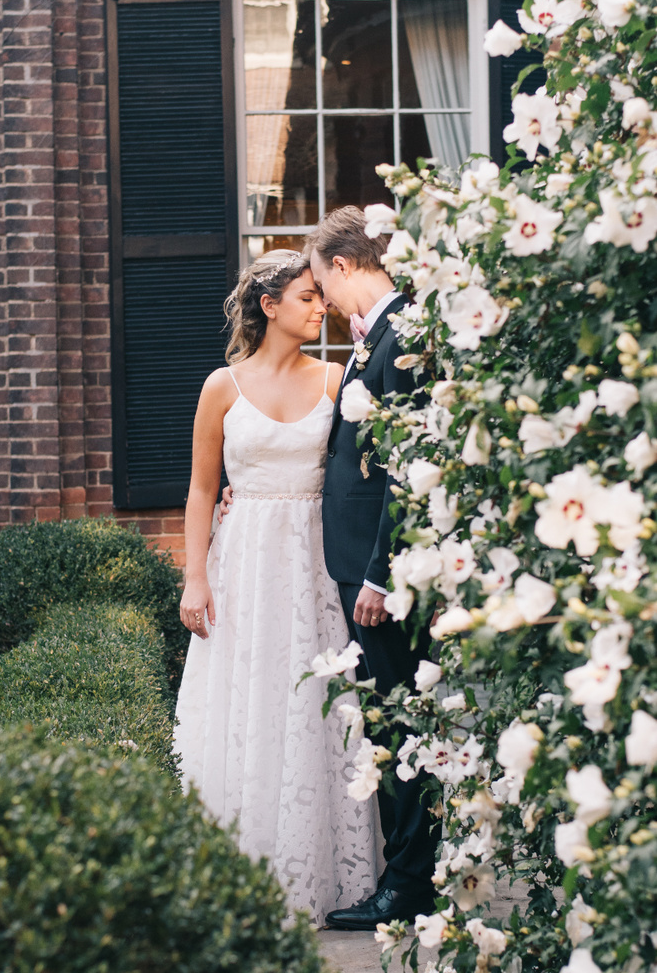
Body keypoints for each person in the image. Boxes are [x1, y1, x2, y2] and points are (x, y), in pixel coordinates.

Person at [174, 249, 377, 928]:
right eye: (306, 298)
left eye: (322, 297)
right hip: (244, 561)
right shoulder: (221, 387)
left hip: (312, 561)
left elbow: (360, 478)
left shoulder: (334, 380)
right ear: (268, 307)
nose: (320, 308)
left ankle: (319, 873)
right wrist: (194, 576)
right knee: (247, 702)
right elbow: (203, 489)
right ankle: (238, 870)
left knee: (313, 705)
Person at [305, 206, 438, 930]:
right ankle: (409, 880)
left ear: (346, 265)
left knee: (400, 732)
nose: (321, 298)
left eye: (322, 281)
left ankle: (408, 889)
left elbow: (407, 468)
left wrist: (382, 575)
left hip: (379, 577)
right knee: (390, 726)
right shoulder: (376, 337)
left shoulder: (403, 335)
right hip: (359, 567)